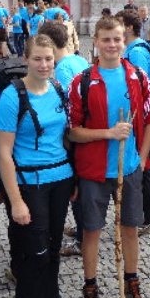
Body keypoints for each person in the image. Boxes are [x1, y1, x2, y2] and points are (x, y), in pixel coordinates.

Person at [67, 15, 150, 298]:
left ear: (124, 40)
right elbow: (73, 131)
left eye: (117, 39)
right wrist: (108, 133)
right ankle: (90, 290)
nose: (112, 45)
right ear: (95, 42)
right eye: (106, 39)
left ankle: (132, 285)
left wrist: (141, 159)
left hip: (128, 170)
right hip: (93, 172)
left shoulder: (138, 76)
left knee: (130, 229)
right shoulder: (82, 82)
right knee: (91, 231)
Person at [0, 35, 80, 298]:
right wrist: (15, 200)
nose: (44, 65)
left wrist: (74, 180)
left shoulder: (57, 89)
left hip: (60, 180)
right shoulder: (12, 96)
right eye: (38, 59)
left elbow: (65, 137)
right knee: (35, 252)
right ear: (26, 59)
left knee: (53, 249)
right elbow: (3, 151)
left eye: (48, 59)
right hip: (30, 184)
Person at [39, 21, 90, 257]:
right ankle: (82, 230)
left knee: (75, 188)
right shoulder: (78, 60)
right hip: (85, 131)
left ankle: (82, 238)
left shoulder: (61, 69)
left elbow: (70, 106)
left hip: (76, 135)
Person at [116, 10, 150, 233]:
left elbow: (144, 85)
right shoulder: (132, 49)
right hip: (137, 116)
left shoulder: (137, 52)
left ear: (129, 28)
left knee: (146, 164)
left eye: (119, 24)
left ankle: (147, 214)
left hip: (142, 116)